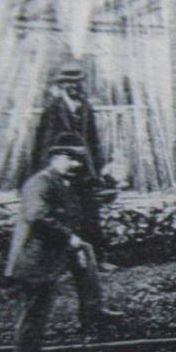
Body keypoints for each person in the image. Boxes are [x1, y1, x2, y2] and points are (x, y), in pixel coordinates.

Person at [4, 133, 122, 352]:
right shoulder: (39, 183)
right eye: (70, 159)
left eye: (78, 160)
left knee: (85, 253)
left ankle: (93, 307)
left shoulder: (59, 183)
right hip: (33, 262)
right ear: (55, 158)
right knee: (32, 322)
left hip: (45, 260)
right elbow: (38, 216)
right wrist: (70, 239)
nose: (76, 165)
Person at [31, 61, 106, 251]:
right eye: (69, 83)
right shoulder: (53, 109)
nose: (74, 86)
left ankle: (96, 257)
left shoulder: (85, 108)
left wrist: (97, 167)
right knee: (62, 211)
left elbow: (93, 140)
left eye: (77, 82)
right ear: (61, 84)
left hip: (84, 169)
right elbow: (44, 143)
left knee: (90, 211)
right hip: (62, 168)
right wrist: (46, 171)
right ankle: (62, 259)